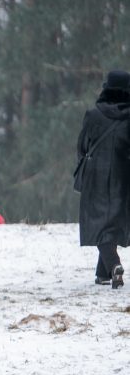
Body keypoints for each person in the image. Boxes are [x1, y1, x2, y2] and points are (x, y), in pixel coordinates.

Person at [76, 69, 130, 288]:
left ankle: (114, 265)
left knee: (99, 225)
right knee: (112, 224)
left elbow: (82, 146)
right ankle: (104, 274)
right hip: (123, 178)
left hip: (96, 177)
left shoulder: (94, 114)